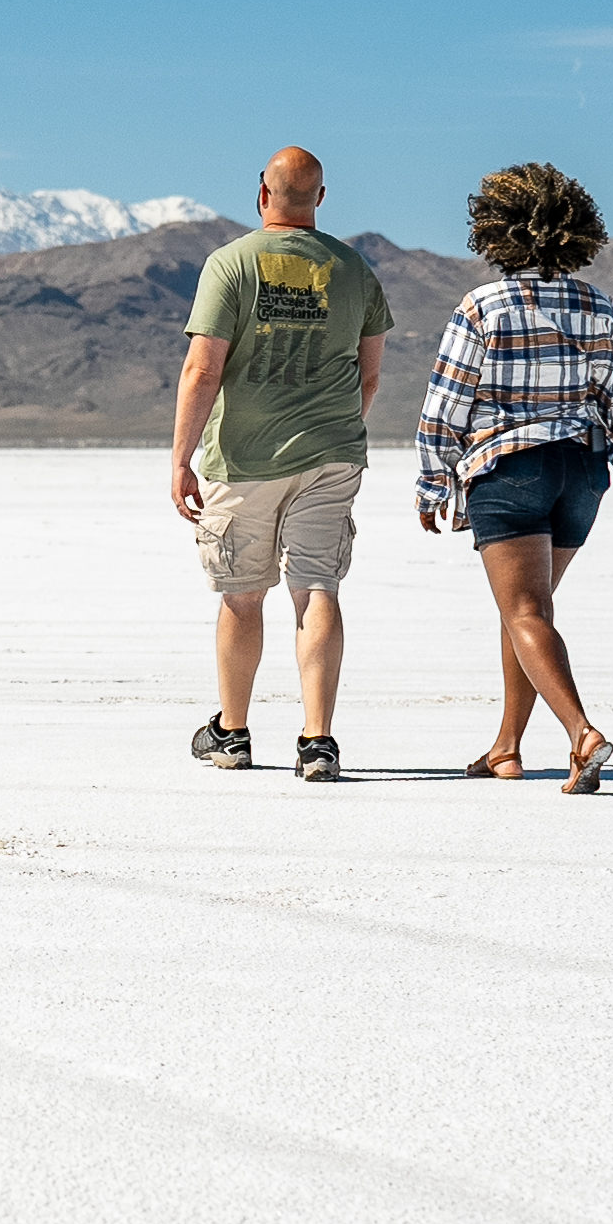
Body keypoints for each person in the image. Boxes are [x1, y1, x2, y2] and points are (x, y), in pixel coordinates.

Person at [412, 163, 613, 795]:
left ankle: (582, 735)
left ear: (494, 232)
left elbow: (445, 405)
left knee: (523, 608)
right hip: (581, 473)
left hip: (511, 469)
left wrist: (430, 482)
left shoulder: (483, 306)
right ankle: (506, 747)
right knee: (529, 611)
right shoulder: (601, 308)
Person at [173, 147, 392, 781]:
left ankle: (233, 733)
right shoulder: (355, 271)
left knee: (242, 597)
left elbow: (202, 368)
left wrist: (181, 458)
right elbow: (369, 377)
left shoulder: (232, 264)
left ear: (261, 194)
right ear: (320, 198)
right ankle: (317, 741)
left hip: (243, 460)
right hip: (331, 455)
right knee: (316, 587)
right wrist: (334, 432)